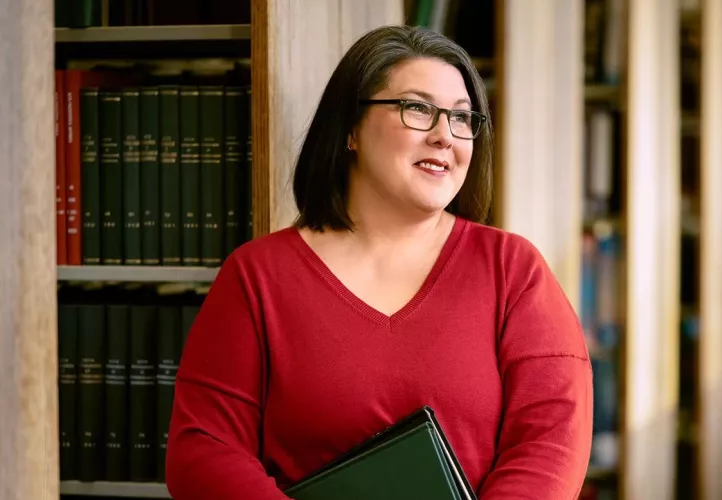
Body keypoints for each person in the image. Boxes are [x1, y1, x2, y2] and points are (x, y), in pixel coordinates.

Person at [165, 24, 592, 499]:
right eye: (417, 108)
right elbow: (203, 451)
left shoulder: (513, 270)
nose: (444, 136)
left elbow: (551, 442)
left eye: (461, 117)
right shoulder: (256, 276)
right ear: (349, 127)